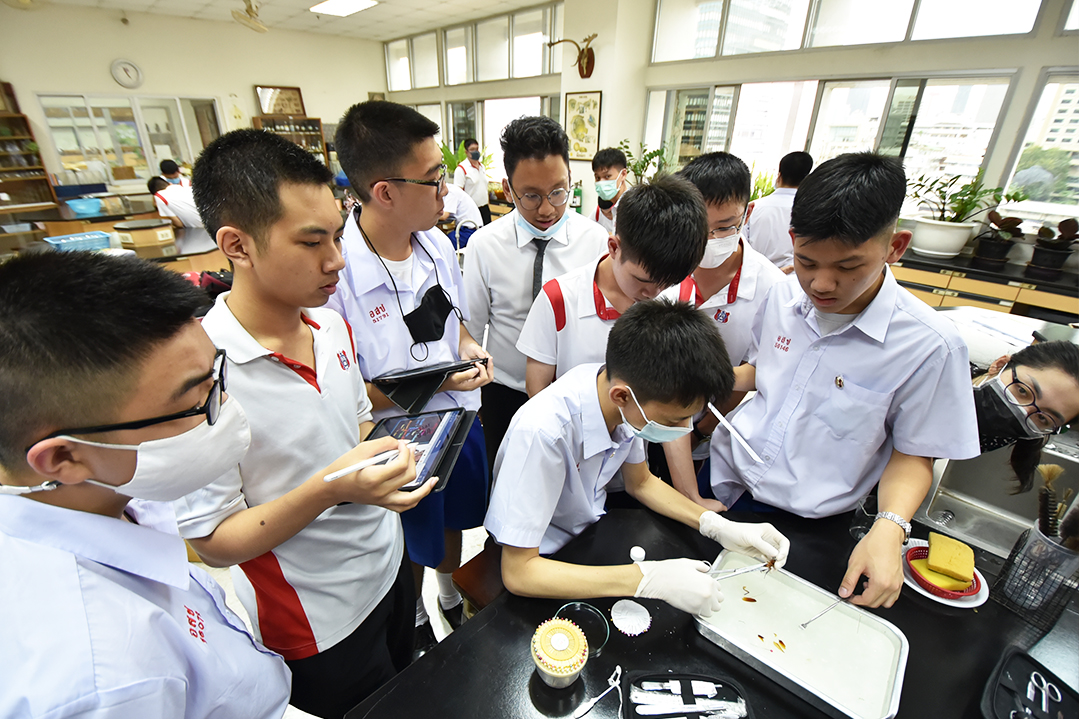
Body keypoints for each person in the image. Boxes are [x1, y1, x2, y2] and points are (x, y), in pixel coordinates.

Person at [177, 129, 429, 719]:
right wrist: (330, 490)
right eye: (313, 242)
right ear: (237, 245)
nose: (336, 260)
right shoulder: (200, 374)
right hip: (315, 618)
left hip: (389, 566)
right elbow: (213, 541)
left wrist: (396, 462)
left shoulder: (329, 326)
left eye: (338, 236)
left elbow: (358, 428)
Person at [0, 251, 291, 718]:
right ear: (63, 457)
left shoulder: (112, 492)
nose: (226, 407)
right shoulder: (109, 680)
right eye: (195, 402)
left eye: (215, 378)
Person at [707, 152, 981, 609]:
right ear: (792, 240)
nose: (821, 284)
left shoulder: (929, 345)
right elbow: (767, 371)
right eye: (807, 262)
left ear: (896, 247)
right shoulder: (781, 295)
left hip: (806, 522)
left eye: (848, 267)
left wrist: (890, 529)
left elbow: (915, 453)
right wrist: (703, 382)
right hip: (723, 480)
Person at [486, 300, 789, 613]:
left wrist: (716, 526)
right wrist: (645, 579)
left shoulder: (621, 396)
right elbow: (519, 572)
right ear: (621, 396)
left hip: (588, 535)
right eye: (674, 421)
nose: (685, 429)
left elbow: (641, 482)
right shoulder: (543, 432)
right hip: (541, 560)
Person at [328, 101, 493, 661]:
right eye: (434, 178)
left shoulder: (438, 245)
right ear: (385, 192)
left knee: (452, 518)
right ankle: (416, 614)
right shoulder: (338, 276)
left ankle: (447, 593)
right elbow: (345, 394)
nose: (446, 190)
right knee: (407, 537)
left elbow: (455, 322)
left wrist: (467, 348)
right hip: (394, 440)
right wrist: (441, 380)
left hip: (456, 419)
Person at [463, 116, 608, 473]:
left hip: (576, 394)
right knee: (505, 481)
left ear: (570, 180)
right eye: (530, 196)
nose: (546, 209)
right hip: (504, 393)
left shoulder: (596, 242)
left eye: (558, 192)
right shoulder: (484, 245)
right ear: (507, 189)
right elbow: (471, 330)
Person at [656, 152, 785, 511]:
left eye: (725, 227)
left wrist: (703, 429)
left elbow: (758, 374)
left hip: (724, 434)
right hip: (657, 420)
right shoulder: (664, 270)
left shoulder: (772, 288)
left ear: (747, 213)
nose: (711, 240)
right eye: (701, 228)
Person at [517, 174, 707, 397]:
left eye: (669, 283)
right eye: (643, 280)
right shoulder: (559, 299)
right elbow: (537, 389)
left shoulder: (682, 294)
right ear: (614, 248)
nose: (654, 294)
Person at [974, 341, 1079, 492]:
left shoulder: (1002, 435)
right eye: (1023, 391)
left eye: (1043, 418)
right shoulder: (939, 374)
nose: (1020, 410)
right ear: (1000, 365)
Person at [744, 151, 813, 273]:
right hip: (796, 277)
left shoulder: (754, 208)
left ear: (779, 176)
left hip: (757, 275)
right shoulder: (812, 211)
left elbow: (742, 246)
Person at [452, 137, 491, 226]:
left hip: (484, 208)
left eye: (477, 149)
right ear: (466, 152)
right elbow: (457, 193)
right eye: (472, 149)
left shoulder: (482, 167)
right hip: (471, 210)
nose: (475, 152)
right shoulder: (462, 169)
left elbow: (484, 188)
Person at [592, 147, 629, 235]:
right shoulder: (611, 208)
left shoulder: (633, 208)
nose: (601, 182)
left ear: (623, 174)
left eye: (607, 176)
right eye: (598, 178)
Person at [441, 182, 484, 248]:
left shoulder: (451, 192)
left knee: (444, 244)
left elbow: (444, 216)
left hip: (469, 230)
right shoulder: (450, 190)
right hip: (468, 229)